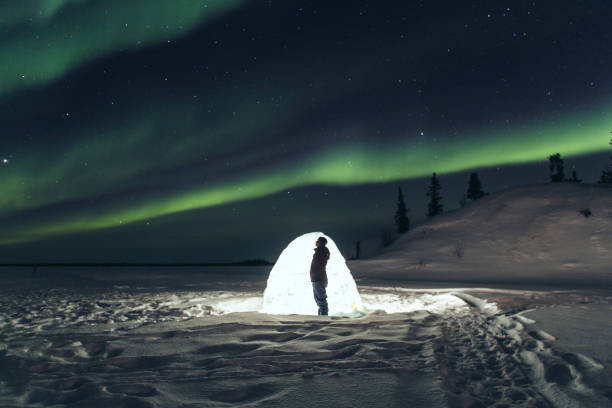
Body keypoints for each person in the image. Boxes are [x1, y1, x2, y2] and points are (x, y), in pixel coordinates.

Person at [310, 236, 330, 315]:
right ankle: (321, 317)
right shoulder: (320, 252)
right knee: (319, 300)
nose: (316, 242)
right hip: (317, 279)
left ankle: (324, 318)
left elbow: (319, 265)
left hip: (319, 279)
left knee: (321, 300)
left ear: (320, 242)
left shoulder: (321, 252)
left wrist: (315, 274)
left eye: (317, 241)